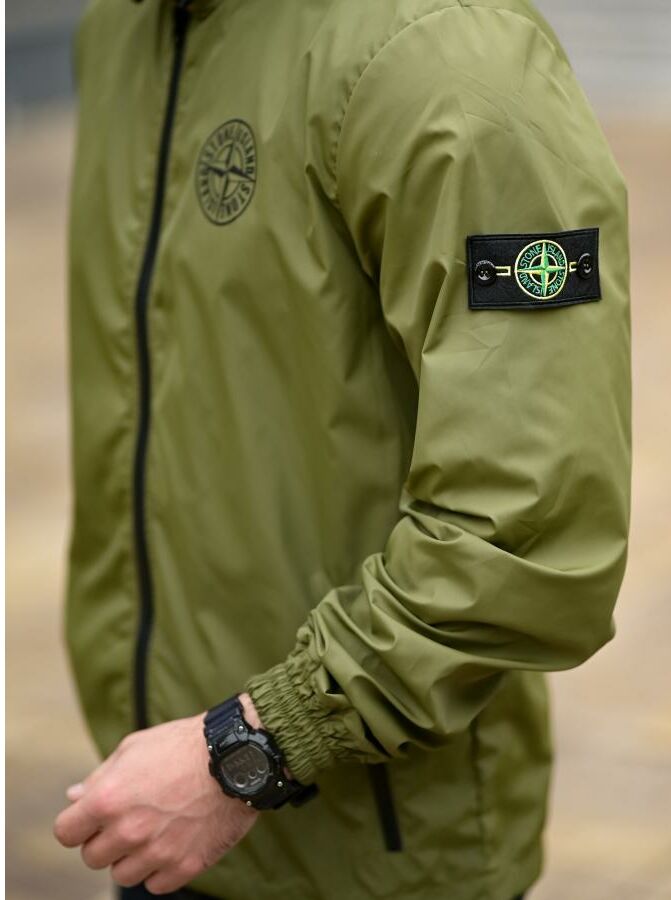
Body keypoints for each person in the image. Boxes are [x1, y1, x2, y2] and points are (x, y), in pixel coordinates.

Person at [52, 0, 632, 897]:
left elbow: (529, 525)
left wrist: (249, 748)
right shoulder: (124, 30)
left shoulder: (444, 55)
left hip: (374, 843)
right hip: (153, 803)